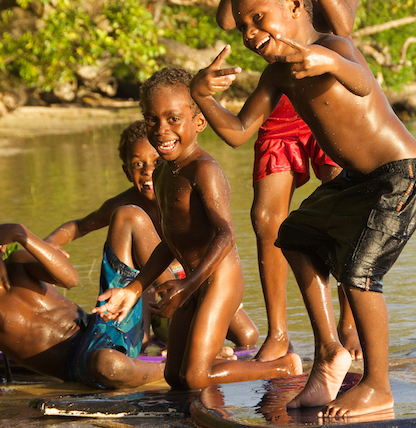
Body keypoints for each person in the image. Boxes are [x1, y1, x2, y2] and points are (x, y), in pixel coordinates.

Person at [190, 0, 416, 417]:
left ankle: (378, 387)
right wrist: (201, 93)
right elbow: (241, 131)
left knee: (359, 274)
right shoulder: (277, 76)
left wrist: (330, 61)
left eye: (257, 18)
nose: (249, 32)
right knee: (294, 235)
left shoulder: (332, 45)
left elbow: (363, 85)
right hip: (358, 182)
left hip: (402, 173)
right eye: (242, 26)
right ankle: (328, 354)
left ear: (295, 4)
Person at [215, 0, 362, 362]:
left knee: (344, 204)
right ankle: (278, 336)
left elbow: (342, 27)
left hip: (328, 96)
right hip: (281, 102)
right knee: (264, 216)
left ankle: (349, 325)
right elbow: (228, 21)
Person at [93, 67, 302, 390]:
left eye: (174, 119)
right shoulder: (162, 175)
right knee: (173, 376)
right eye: (152, 120)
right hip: (191, 282)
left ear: (199, 122)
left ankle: (282, 367)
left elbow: (226, 235)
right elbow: (170, 243)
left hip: (219, 279)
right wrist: (133, 290)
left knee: (195, 376)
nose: (162, 130)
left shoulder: (204, 171)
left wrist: (188, 285)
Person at [45, 120, 259, 350]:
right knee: (133, 220)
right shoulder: (126, 204)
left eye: (156, 162)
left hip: (196, 279)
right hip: (158, 293)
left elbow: (223, 235)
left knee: (248, 337)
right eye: (138, 164)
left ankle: (205, 348)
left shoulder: (181, 189)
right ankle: (145, 340)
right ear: (127, 171)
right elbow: (81, 225)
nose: (148, 171)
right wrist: (48, 243)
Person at [0, 212, 163, 400]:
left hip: (107, 319)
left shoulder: (19, 262)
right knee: (109, 365)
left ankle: (180, 297)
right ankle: (168, 369)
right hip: (83, 363)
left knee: (128, 215)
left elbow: (71, 279)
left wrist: (22, 234)